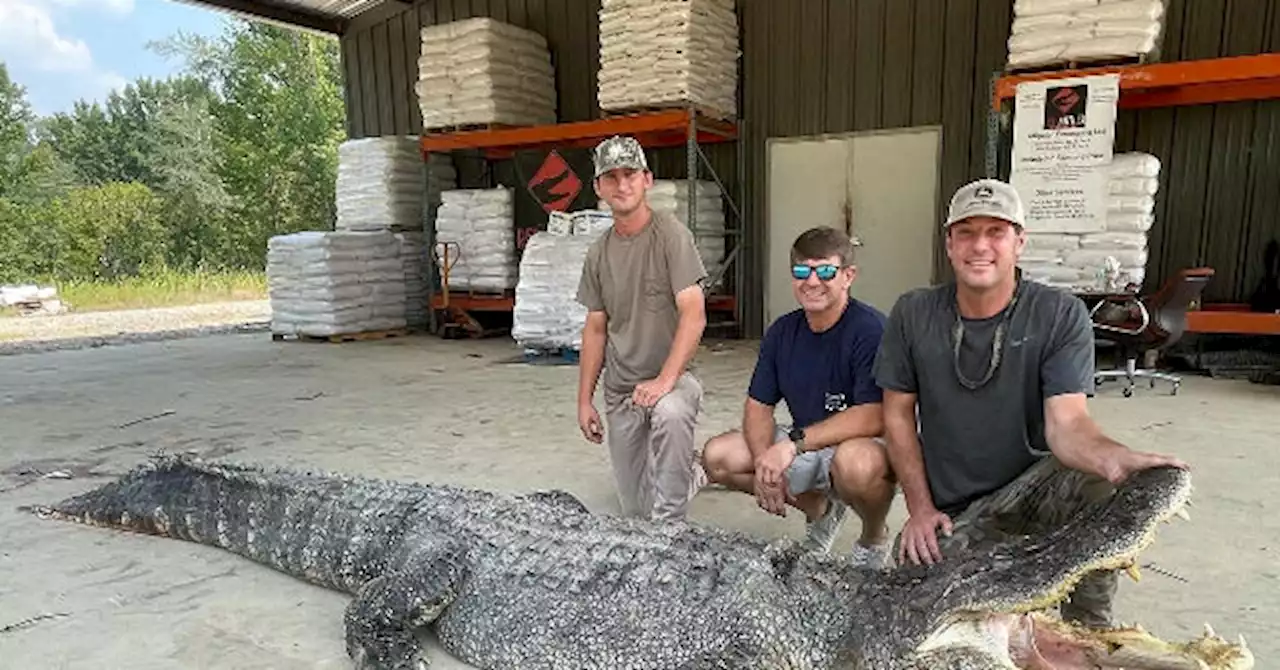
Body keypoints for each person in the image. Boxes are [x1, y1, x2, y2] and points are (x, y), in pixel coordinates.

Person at [872, 178, 1188, 628]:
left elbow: (1068, 424)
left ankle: (1087, 631)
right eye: (966, 232)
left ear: (1019, 242)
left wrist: (1113, 458)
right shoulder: (913, 312)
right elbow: (898, 416)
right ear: (948, 243)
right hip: (959, 507)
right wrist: (920, 509)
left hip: (1035, 486)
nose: (980, 245)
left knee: (1097, 486)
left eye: (996, 232)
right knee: (913, 595)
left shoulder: (1059, 314)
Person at [701, 226, 895, 565]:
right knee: (719, 456)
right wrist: (766, 461)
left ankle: (873, 536)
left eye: (826, 271)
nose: (812, 281)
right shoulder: (782, 332)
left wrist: (792, 445)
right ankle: (817, 508)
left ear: (848, 276)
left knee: (856, 466)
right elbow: (758, 406)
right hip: (804, 442)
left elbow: (874, 414)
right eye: (802, 271)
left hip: (860, 443)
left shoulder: (872, 330)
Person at [575, 135, 710, 523]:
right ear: (598, 188)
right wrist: (585, 400)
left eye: (630, 174)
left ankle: (672, 530)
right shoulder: (598, 253)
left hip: (674, 381)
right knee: (634, 511)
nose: (622, 185)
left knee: (669, 415)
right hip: (623, 392)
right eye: (611, 177)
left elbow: (694, 314)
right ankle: (692, 471)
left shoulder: (672, 237)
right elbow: (596, 329)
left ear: (647, 179)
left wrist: (665, 380)